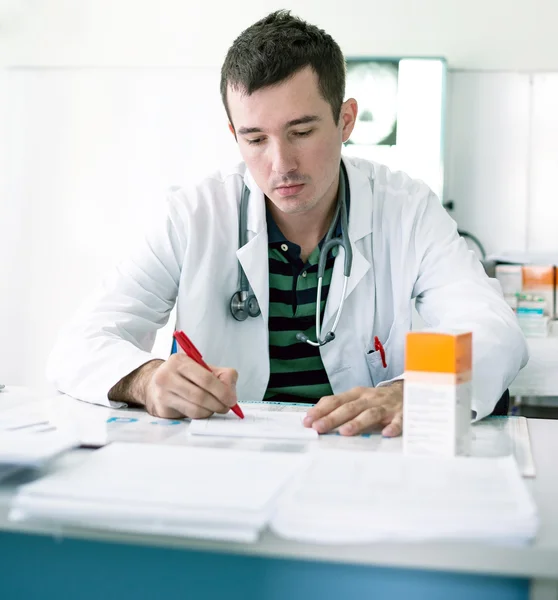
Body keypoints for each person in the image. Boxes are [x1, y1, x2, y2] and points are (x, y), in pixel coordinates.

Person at [47, 10, 528, 437]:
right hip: (227, 465)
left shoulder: (406, 210)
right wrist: (146, 378)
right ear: (234, 134)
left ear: (345, 120)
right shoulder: (193, 217)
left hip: (362, 462)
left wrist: (418, 392)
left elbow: (493, 332)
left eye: (301, 132)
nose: (281, 163)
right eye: (256, 138)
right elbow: (80, 344)